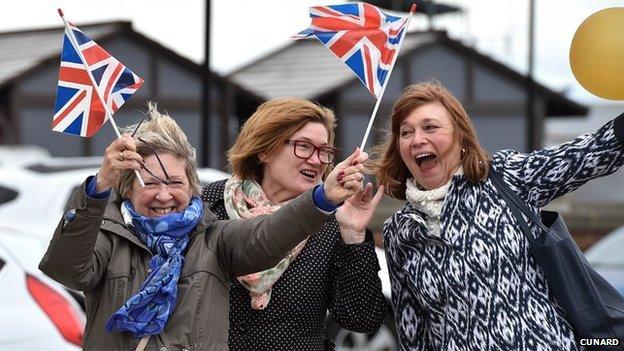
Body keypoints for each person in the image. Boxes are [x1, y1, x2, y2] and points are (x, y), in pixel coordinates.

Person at [38, 104, 371, 351]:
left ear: (190, 186)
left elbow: (267, 235)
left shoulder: (211, 232)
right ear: (128, 188)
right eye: (151, 183)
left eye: (175, 182)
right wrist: (97, 189)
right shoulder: (116, 234)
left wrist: (324, 200)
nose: (164, 195)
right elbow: (67, 269)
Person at [373, 80, 624, 350]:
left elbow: (589, 154)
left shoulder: (507, 177)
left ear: (461, 137)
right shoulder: (399, 231)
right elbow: (414, 336)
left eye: (430, 127)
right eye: (406, 132)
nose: (417, 139)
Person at [201, 97, 387, 350]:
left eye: (324, 151)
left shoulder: (331, 222)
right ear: (263, 149)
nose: (316, 160)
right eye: (303, 146)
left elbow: (362, 319)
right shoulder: (209, 206)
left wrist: (354, 234)